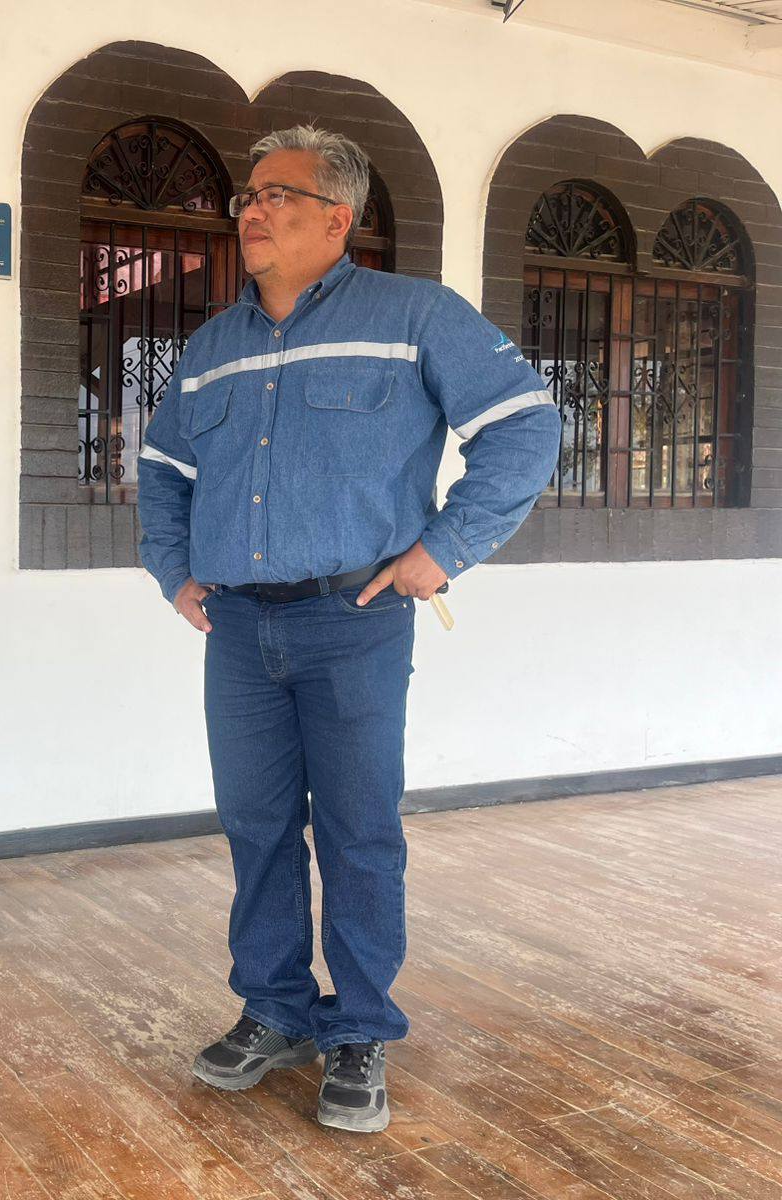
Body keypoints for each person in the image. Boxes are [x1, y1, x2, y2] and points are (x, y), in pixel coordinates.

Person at [137, 125, 560, 1133]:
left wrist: (445, 549)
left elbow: (525, 423)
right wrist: (173, 571)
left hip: (355, 621)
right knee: (256, 827)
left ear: (338, 217)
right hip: (239, 630)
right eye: (246, 196)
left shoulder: (414, 316)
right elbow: (162, 471)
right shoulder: (212, 347)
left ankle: (360, 1029)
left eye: (275, 194)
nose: (251, 210)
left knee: (359, 831)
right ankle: (275, 1010)